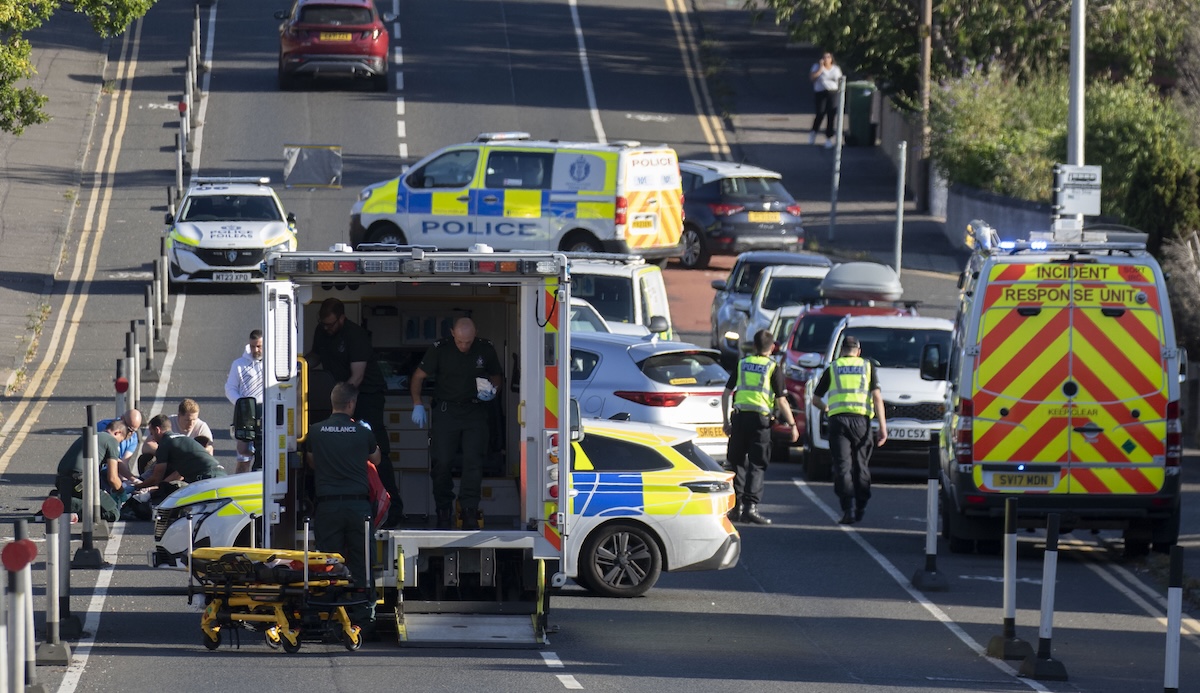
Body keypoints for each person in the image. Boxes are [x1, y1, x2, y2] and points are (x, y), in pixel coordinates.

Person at [306, 298, 402, 526]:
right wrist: (297, 365)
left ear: (342, 318)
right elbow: (316, 356)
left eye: (331, 324)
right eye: (324, 324)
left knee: (377, 453)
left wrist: (339, 406)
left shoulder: (355, 335)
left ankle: (392, 509)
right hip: (343, 398)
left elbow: (357, 377)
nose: (327, 328)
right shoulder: (322, 331)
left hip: (366, 396)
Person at [410, 316, 502, 529]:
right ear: (452, 333)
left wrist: (493, 391)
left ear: (475, 334)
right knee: (442, 462)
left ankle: (469, 508)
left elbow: (497, 375)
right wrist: (417, 403)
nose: (464, 346)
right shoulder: (440, 349)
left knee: (473, 461)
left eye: (468, 342)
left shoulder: (484, 348)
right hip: (446, 411)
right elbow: (418, 376)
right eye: (460, 341)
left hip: (475, 410)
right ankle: (443, 508)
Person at [305, 382, 379, 626]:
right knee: (361, 562)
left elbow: (312, 462)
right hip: (358, 507)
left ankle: (328, 615)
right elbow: (376, 459)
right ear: (351, 403)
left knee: (328, 563)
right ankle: (362, 618)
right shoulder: (362, 431)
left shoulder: (315, 431)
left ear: (333, 402)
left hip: (328, 506)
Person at [721, 329, 796, 525]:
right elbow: (781, 401)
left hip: (739, 419)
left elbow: (726, 393)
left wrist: (725, 421)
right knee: (757, 464)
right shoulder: (772, 367)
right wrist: (792, 424)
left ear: (754, 346)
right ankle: (750, 508)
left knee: (736, 462)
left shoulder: (743, 363)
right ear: (772, 348)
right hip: (760, 422)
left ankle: (735, 508)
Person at [811, 336, 888, 525]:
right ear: (858, 351)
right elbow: (877, 398)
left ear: (841, 351)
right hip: (861, 421)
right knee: (861, 465)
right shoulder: (868, 367)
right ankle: (861, 504)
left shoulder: (833, 367)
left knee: (842, 467)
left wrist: (827, 409)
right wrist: (883, 427)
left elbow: (816, 399)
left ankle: (848, 509)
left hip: (838, 421)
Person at [54, 419, 132, 522]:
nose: (118, 444)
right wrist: (121, 492)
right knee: (112, 513)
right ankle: (64, 504)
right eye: (120, 441)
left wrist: (131, 478)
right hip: (81, 481)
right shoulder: (111, 440)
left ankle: (61, 499)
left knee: (89, 500)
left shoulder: (92, 437)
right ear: (117, 432)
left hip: (62, 480)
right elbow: (113, 478)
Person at [135, 414, 227, 491]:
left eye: (151, 433)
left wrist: (136, 487)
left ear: (157, 430)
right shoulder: (183, 439)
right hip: (221, 474)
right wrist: (160, 487)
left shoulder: (165, 443)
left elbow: (156, 478)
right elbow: (178, 474)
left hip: (206, 478)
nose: (153, 438)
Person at [225, 329, 264, 473]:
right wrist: (242, 404)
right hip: (246, 415)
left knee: (264, 455)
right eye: (253, 346)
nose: (256, 350)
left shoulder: (273, 364)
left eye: (259, 346)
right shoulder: (239, 364)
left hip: (266, 412)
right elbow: (230, 388)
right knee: (243, 458)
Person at [809, 51, 843, 149]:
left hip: (832, 93)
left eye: (828, 57)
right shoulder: (816, 67)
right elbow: (812, 78)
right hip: (820, 93)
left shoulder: (836, 69)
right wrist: (820, 68)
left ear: (831, 59)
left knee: (831, 114)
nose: (826, 59)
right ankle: (813, 132)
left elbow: (840, 80)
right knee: (820, 113)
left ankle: (828, 138)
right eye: (824, 57)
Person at [96, 408, 143, 476]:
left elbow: (124, 463)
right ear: (121, 419)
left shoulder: (133, 437)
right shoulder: (102, 427)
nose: (130, 434)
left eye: (134, 431)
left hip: (115, 469)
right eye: (129, 429)